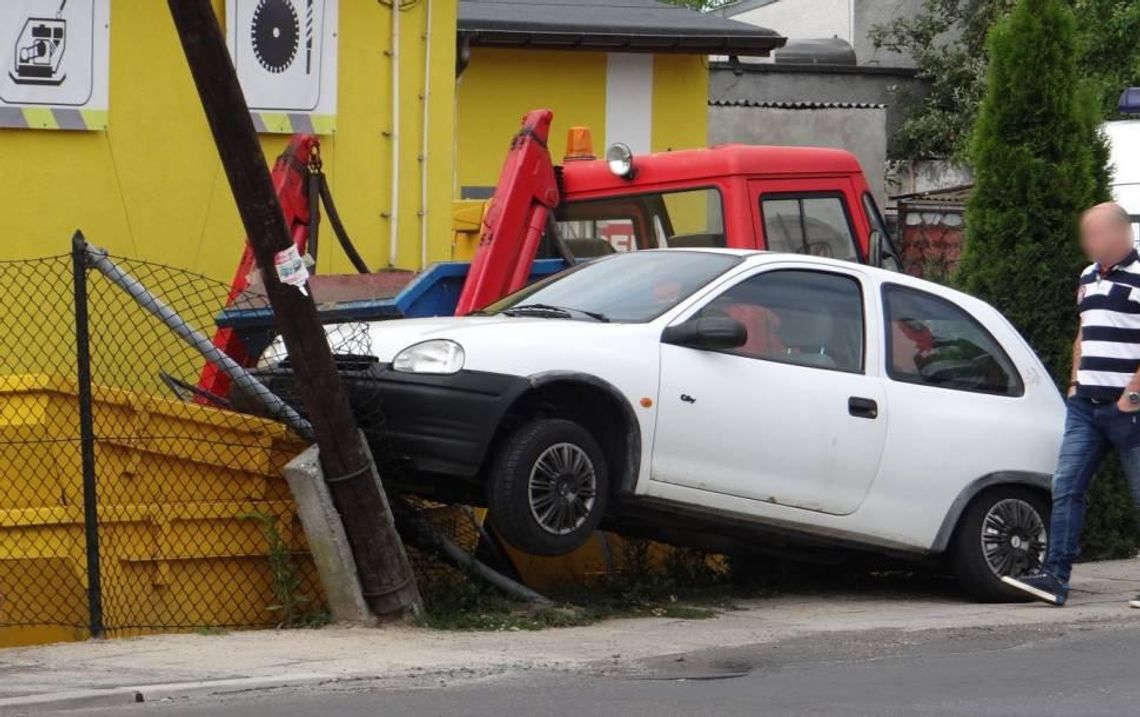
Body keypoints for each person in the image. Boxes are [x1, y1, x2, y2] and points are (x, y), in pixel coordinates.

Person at [1003, 202, 1140, 607]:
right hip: (1086, 407)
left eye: (1098, 234)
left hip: (1129, 410)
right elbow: (1083, 332)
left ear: (1120, 234)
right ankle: (1054, 579)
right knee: (1066, 487)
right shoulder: (1086, 277)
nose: (1091, 243)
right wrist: (1074, 382)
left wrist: (1132, 394)